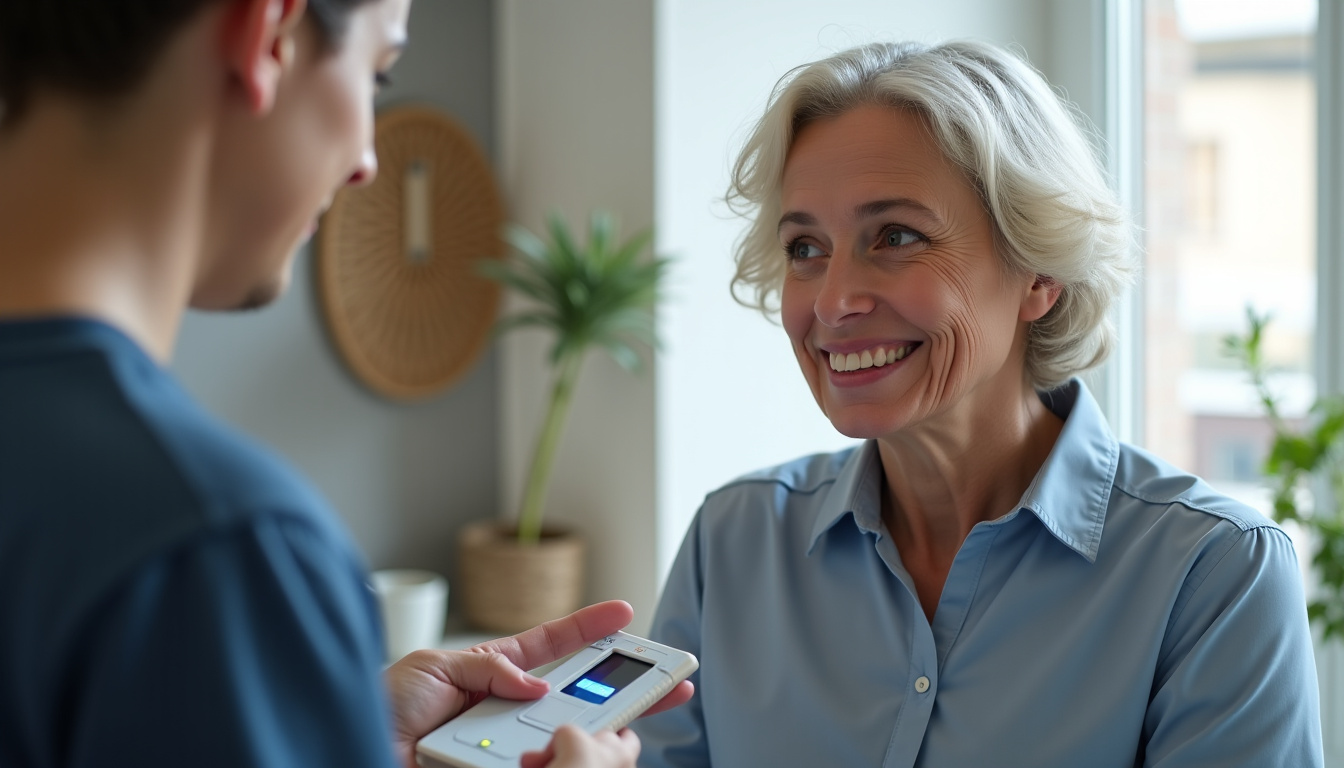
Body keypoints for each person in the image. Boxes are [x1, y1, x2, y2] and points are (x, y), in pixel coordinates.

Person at [0, 1, 690, 767]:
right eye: (376, 72)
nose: (366, 159)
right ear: (267, 34)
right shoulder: (214, 549)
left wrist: (343, 728)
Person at [632, 39, 1323, 767]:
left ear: (1038, 272)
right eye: (805, 247)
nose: (833, 302)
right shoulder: (732, 543)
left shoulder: (1214, 579)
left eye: (895, 237)